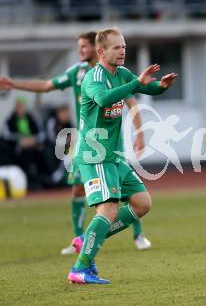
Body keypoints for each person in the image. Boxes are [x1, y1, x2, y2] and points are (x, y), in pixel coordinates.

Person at [0, 31, 152, 253]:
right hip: (85, 143)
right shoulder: (78, 72)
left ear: (95, 48)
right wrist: (14, 84)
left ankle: (137, 235)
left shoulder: (114, 72)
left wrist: (140, 132)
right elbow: (46, 85)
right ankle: (78, 239)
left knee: (121, 195)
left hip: (110, 144)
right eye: (78, 46)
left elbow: (131, 100)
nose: (80, 51)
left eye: (83, 47)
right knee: (78, 190)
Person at [68, 27, 177, 284]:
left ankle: (89, 241)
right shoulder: (93, 78)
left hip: (114, 155)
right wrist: (137, 82)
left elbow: (144, 89)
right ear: (101, 51)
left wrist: (160, 87)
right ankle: (80, 268)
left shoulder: (122, 74)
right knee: (108, 211)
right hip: (95, 156)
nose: (122, 51)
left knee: (142, 204)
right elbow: (105, 99)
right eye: (117, 47)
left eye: (124, 47)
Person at [3, 98, 49, 190]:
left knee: (42, 153)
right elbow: (7, 135)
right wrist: (21, 140)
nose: (21, 109)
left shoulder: (32, 118)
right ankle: (27, 181)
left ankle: (44, 179)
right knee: (25, 155)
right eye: (19, 107)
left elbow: (42, 134)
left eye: (22, 107)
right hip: (18, 148)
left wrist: (33, 140)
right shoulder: (10, 120)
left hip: (34, 145)